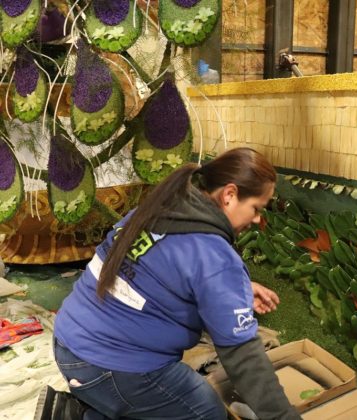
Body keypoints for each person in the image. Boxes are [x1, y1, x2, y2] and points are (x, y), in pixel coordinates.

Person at [39, 148, 301, 419]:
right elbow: (245, 358)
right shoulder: (214, 256)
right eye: (256, 208)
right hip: (109, 367)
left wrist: (238, 289)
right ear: (230, 195)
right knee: (207, 412)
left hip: (68, 343)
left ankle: (82, 411)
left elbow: (157, 270)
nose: (258, 220)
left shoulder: (157, 210)